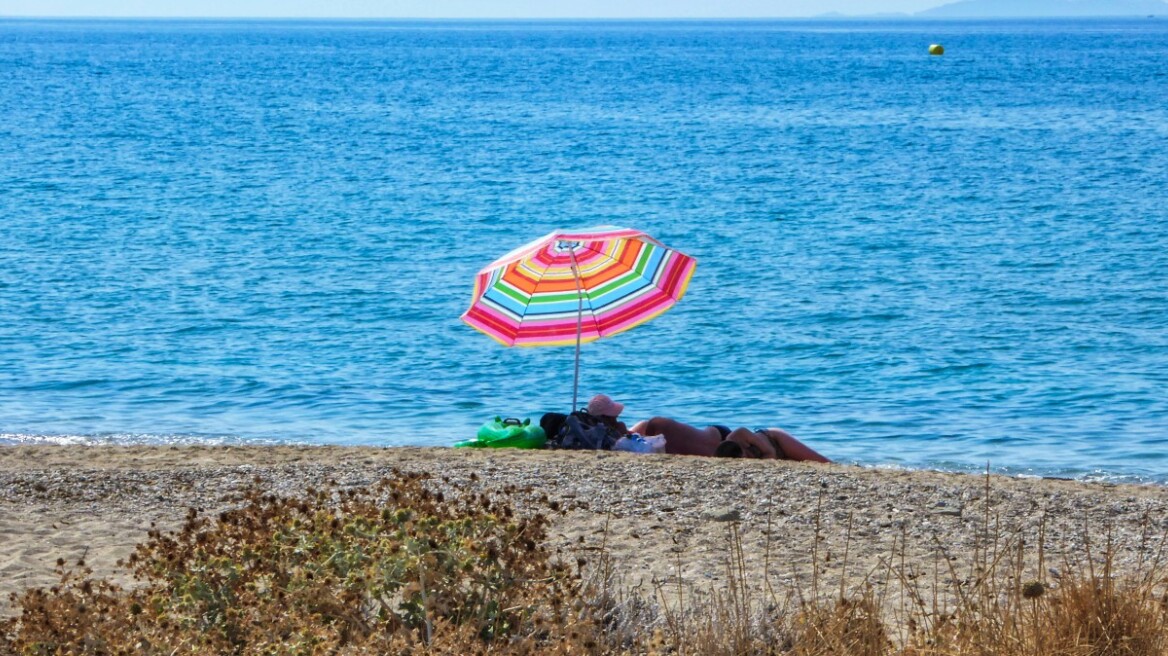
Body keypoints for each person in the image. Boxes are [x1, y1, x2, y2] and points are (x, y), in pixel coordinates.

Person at [628, 415, 831, 462]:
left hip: (776, 440)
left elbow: (769, 453)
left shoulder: (738, 436)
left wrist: (766, 455)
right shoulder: (728, 455)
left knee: (826, 464)